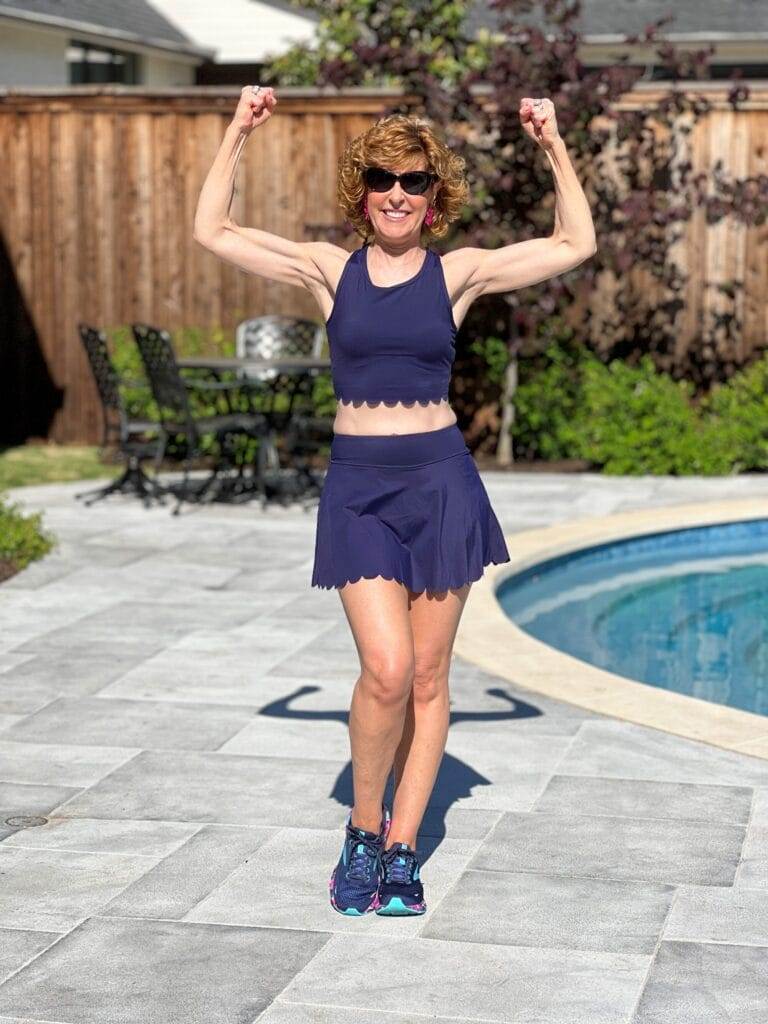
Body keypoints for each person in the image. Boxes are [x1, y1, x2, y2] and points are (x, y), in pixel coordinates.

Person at [193, 85, 596, 918]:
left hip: (441, 484)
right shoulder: (327, 269)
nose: (398, 194)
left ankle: (404, 850)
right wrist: (238, 130)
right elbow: (214, 231)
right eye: (382, 178)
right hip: (359, 490)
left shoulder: (459, 273)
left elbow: (574, 241)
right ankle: (363, 831)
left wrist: (552, 143)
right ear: (363, 190)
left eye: (414, 181)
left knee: (426, 677)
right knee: (384, 670)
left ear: (435, 196)